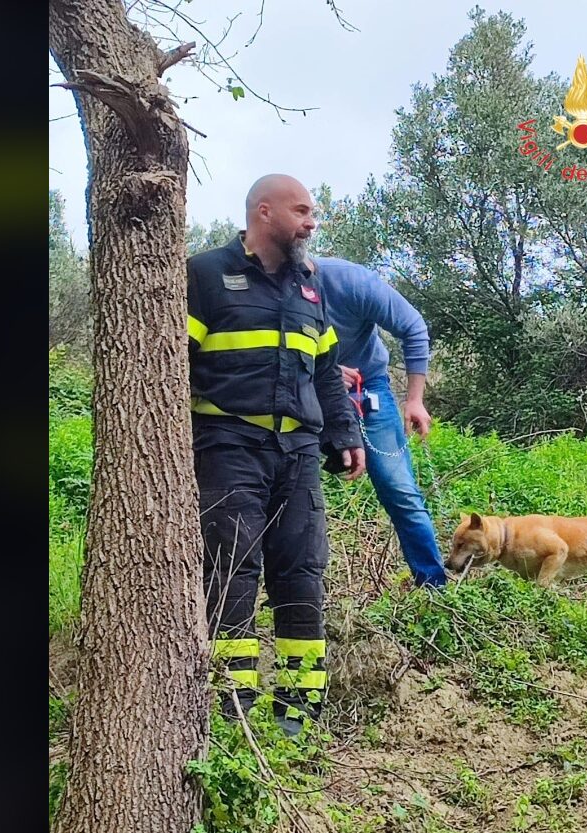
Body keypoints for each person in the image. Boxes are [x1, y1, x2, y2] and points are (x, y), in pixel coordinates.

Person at [186, 174, 366, 736]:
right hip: (228, 444)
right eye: (303, 211)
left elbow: (327, 377)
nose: (313, 222)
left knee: (303, 574)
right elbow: (169, 365)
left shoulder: (309, 289)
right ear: (264, 213)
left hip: (298, 454)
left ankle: (298, 719)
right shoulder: (206, 275)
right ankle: (230, 717)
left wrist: (346, 435)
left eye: (313, 212)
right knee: (231, 573)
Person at [308, 256, 448, 588]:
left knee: (399, 489)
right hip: (300, 390)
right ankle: (294, 595)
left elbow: (413, 327)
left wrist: (414, 400)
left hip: (367, 388)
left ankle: (433, 586)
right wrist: (321, 371)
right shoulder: (267, 289)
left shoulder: (352, 281)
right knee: (290, 491)